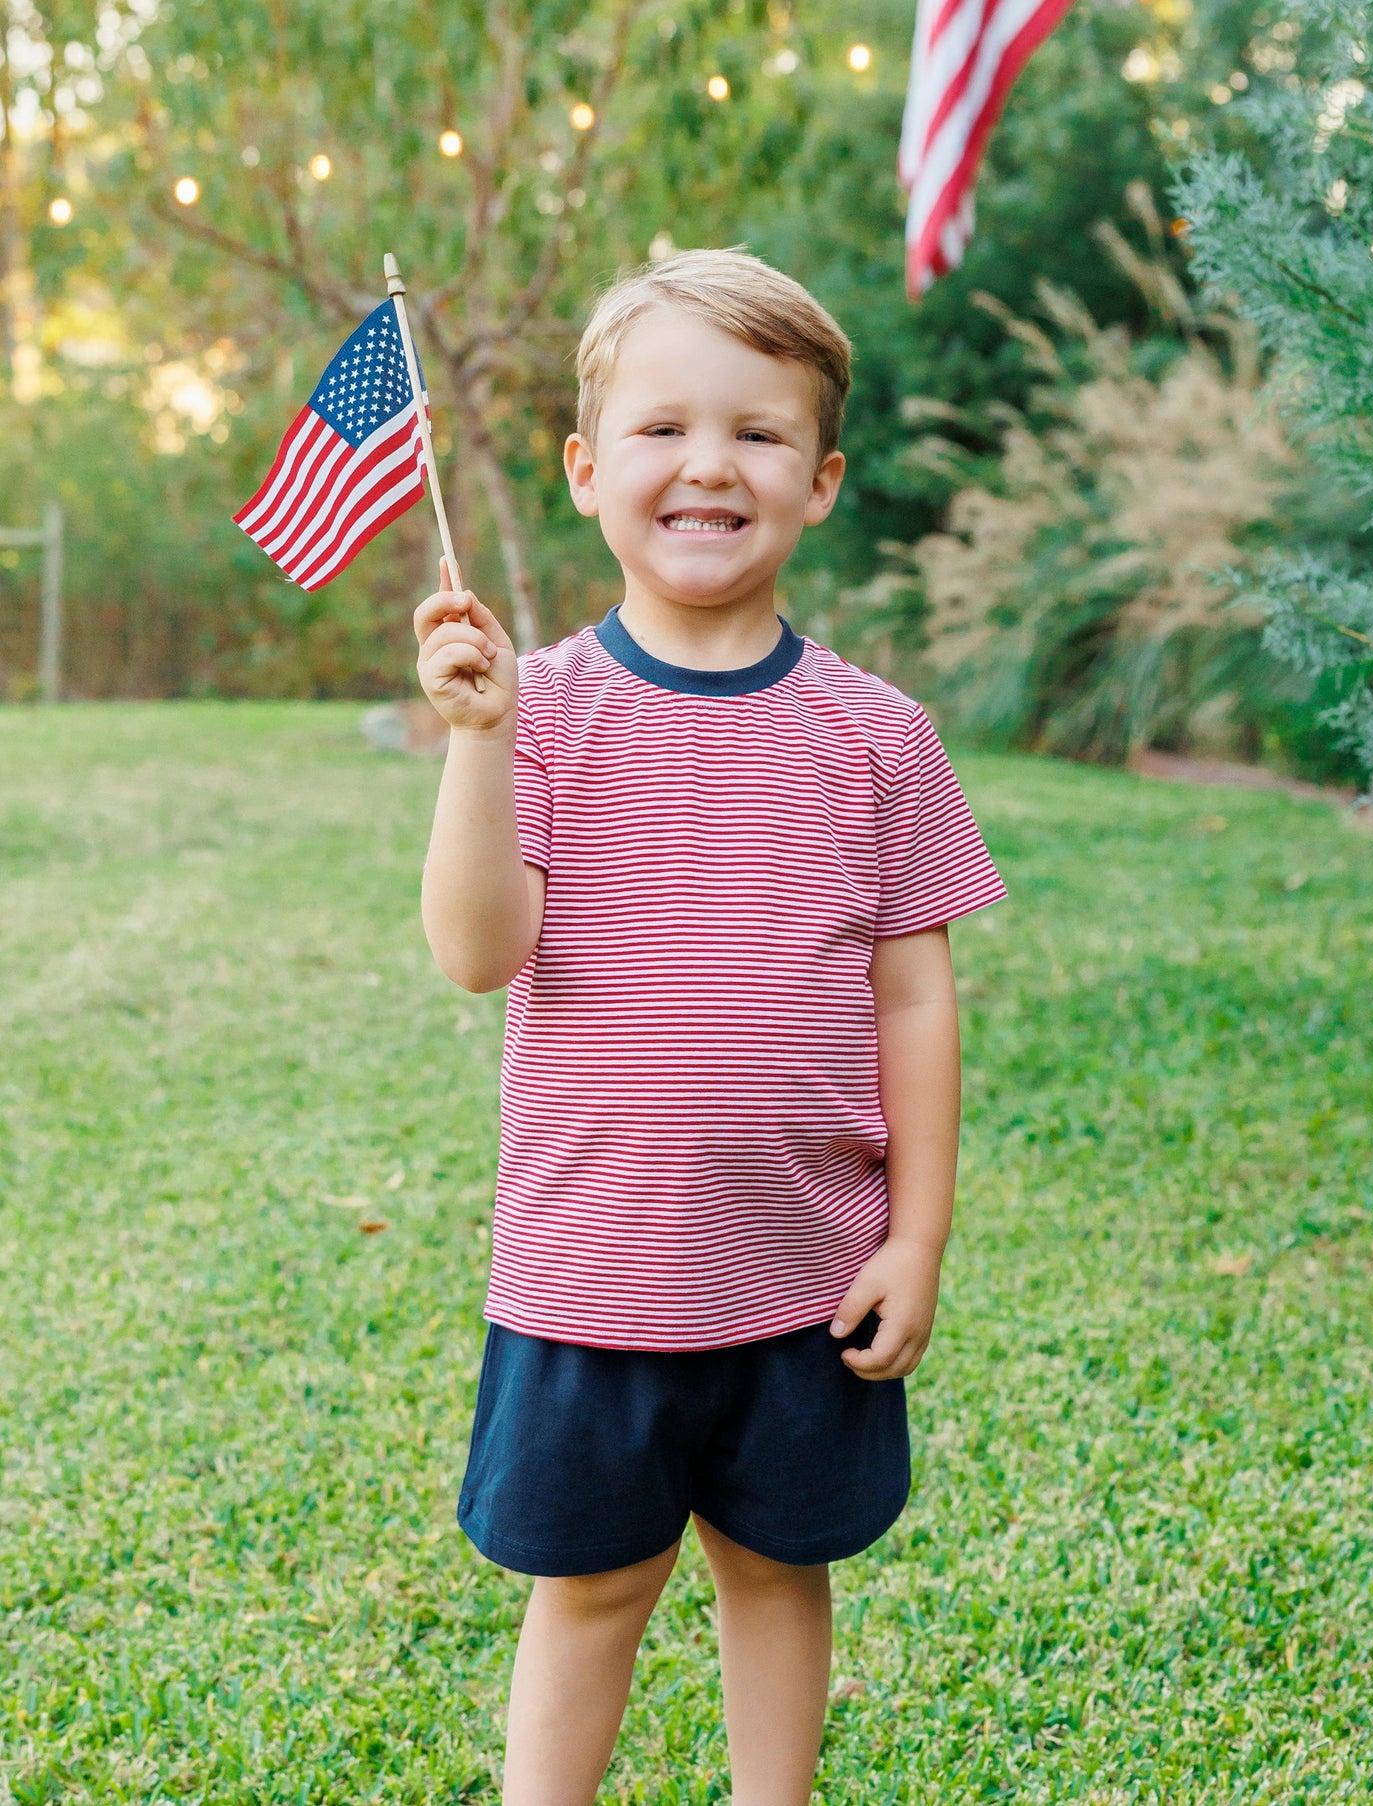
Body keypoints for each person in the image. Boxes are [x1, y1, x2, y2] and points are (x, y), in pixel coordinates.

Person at [413, 248, 1006, 1806]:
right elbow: (477, 951)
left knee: (775, 1564)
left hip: (803, 1270)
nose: (708, 464)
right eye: (664, 427)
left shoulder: (878, 737)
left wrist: (917, 1237)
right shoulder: (541, 708)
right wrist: (475, 744)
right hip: (591, 1267)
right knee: (594, 1584)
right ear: (584, 468)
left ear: (819, 480)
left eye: (755, 431)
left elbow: (914, 993)